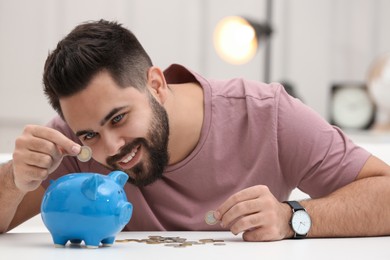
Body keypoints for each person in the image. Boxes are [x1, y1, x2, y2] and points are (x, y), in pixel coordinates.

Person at [1, 20, 390, 242]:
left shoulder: (267, 115)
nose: (111, 148)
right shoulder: (74, 143)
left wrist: (294, 218)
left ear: (156, 85)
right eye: (89, 134)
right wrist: (15, 177)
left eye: (119, 118)